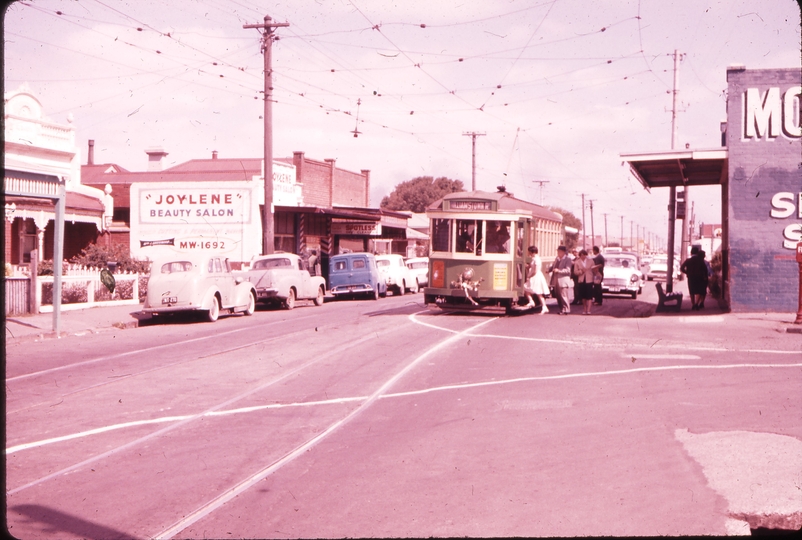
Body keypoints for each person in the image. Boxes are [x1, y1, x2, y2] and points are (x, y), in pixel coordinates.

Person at [680, 246, 709, 310]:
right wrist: (705, 277)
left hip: (690, 277)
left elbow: (682, 268)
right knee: (698, 290)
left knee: (692, 291)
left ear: (691, 253)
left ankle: (693, 304)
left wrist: (687, 272)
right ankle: (696, 304)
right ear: (697, 253)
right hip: (699, 277)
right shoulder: (700, 260)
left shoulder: (688, 260)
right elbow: (705, 269)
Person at [524, 246, 549, 314]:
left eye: (529, 251)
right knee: (527, 289)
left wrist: (529, 276)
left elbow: (535, 270)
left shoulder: (537, 259)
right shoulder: (534, 258)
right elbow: (531, 267)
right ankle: (534, 302)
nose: (528, 252)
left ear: (532, 252)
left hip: (536, 276)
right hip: (534, 276)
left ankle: (542, 306)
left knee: (538, 292)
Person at [549, 245, 574, 315]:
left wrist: (559, 271)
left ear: (563, 252)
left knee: (564, 295)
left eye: (559, 251)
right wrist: (549, 270)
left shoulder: (568, 259)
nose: (558, 252)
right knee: (558, 296)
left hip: (563, 280)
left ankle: (566, 309)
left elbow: (568, 270)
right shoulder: (557, 259)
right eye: (558, 251)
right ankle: (562, 309)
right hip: (556, 280)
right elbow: (553, 266)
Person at [572, 249, 595, 315]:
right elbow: (575, 272)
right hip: (581, 280)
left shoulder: (591, 261)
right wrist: (581, 271)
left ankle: (589, 310)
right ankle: (584, 309)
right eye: (581, 255)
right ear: (579, 256)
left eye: (584, 255)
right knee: (583, 296)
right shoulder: (577, 262)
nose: (583, 256)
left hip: (589, 280)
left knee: (589, 295)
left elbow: (594, 269)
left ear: (586, 255)